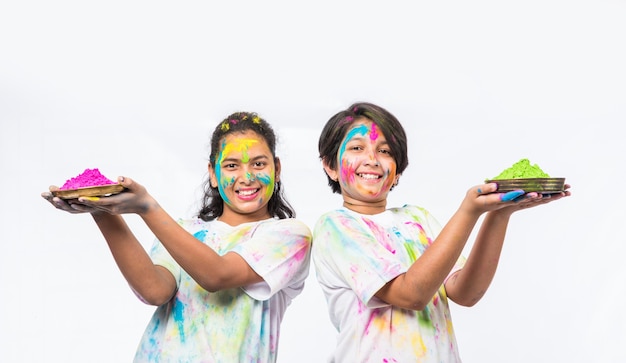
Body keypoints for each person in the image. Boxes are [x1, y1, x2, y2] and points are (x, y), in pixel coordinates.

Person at [41, 112, 312, 363]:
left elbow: (217, 275)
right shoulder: (184, 232)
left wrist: (147, 208)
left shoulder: (288, 236)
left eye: (259, 163)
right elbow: (154, 291)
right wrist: (103, 212)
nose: (247, 176)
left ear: (276, 168)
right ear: (213, 174)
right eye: (231, 165)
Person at [312, 102, 571, 362]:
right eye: (357, 148)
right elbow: (411, 295)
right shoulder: (335, 227)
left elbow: (466, 293)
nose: (372, 159)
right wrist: (469, 210)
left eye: (385, 151)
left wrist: (498, 214)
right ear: (330, 165)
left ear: (398, 170)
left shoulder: (417, 219)